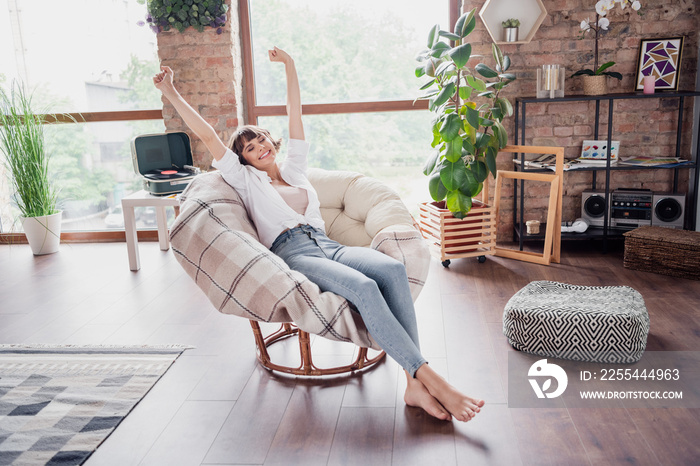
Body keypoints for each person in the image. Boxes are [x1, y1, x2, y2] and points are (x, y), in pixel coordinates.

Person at [153, 46, 484, 422]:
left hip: (327, 245)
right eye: (249, 146)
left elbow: (296, 115)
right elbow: (208, 134)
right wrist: (171, 93)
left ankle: (413, 385)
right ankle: (430, 377)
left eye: (262, 139)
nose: (259, 146)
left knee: (392, 271)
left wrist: (290, 66)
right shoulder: (245, 180)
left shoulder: (294, 170)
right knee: (364, 288)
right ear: (241, 159)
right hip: (295, 254)